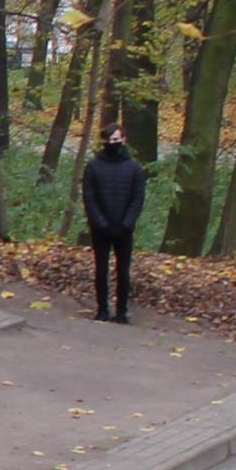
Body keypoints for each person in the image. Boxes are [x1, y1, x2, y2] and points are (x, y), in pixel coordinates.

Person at [81, 124, 145, 324]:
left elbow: (138, 198)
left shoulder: (134, 168)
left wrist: (127, 223)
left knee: (123, 270)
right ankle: (102, 309)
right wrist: (100, 222)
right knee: (101, 269)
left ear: (124, 140)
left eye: (116, 140)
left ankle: (122, 311)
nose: (112, 144)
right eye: (109, 141)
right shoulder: (93, 167)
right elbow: (89, 198)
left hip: (124, 228)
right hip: (101, 228)